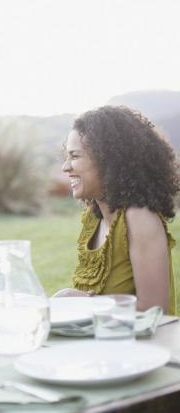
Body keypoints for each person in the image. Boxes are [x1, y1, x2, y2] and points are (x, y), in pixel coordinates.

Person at [56, 106, 179, 314]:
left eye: (75, 156)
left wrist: (78, 300)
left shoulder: (139, 219)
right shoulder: (93, 218)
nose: (65, 167)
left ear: (108, 160)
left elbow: (154, 311)